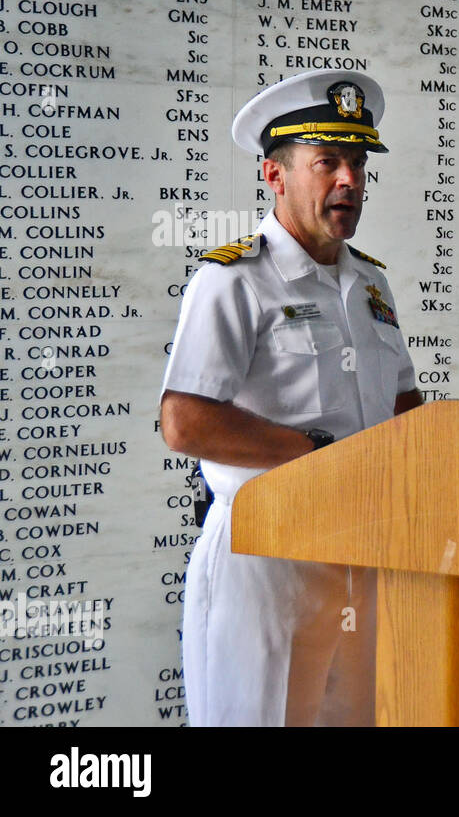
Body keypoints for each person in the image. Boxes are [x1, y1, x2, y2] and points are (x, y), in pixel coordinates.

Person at [159, 69, 422, 726]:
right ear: (275, 176)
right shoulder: (234, 280)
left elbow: (406, 408)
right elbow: (185, 420)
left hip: (365, 558)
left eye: (358, 164)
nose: (349, 181)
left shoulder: (372, 286)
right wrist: (321, 455)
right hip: (267, 562)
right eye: (327, 162)